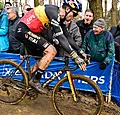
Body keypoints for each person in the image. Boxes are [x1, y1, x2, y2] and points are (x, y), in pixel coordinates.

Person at [15, 0, 86, 93]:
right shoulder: (53, 12)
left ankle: (25, 80)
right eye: (74, 14)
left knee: (42, 60)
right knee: (51, 51)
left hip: (31, 32)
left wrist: (81, 52)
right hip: (23, 30)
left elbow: (68, 37)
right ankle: (35, 80)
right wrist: (75, 56)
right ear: (68, 9)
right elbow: (60, 37)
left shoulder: (61, 18)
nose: (74, 18)